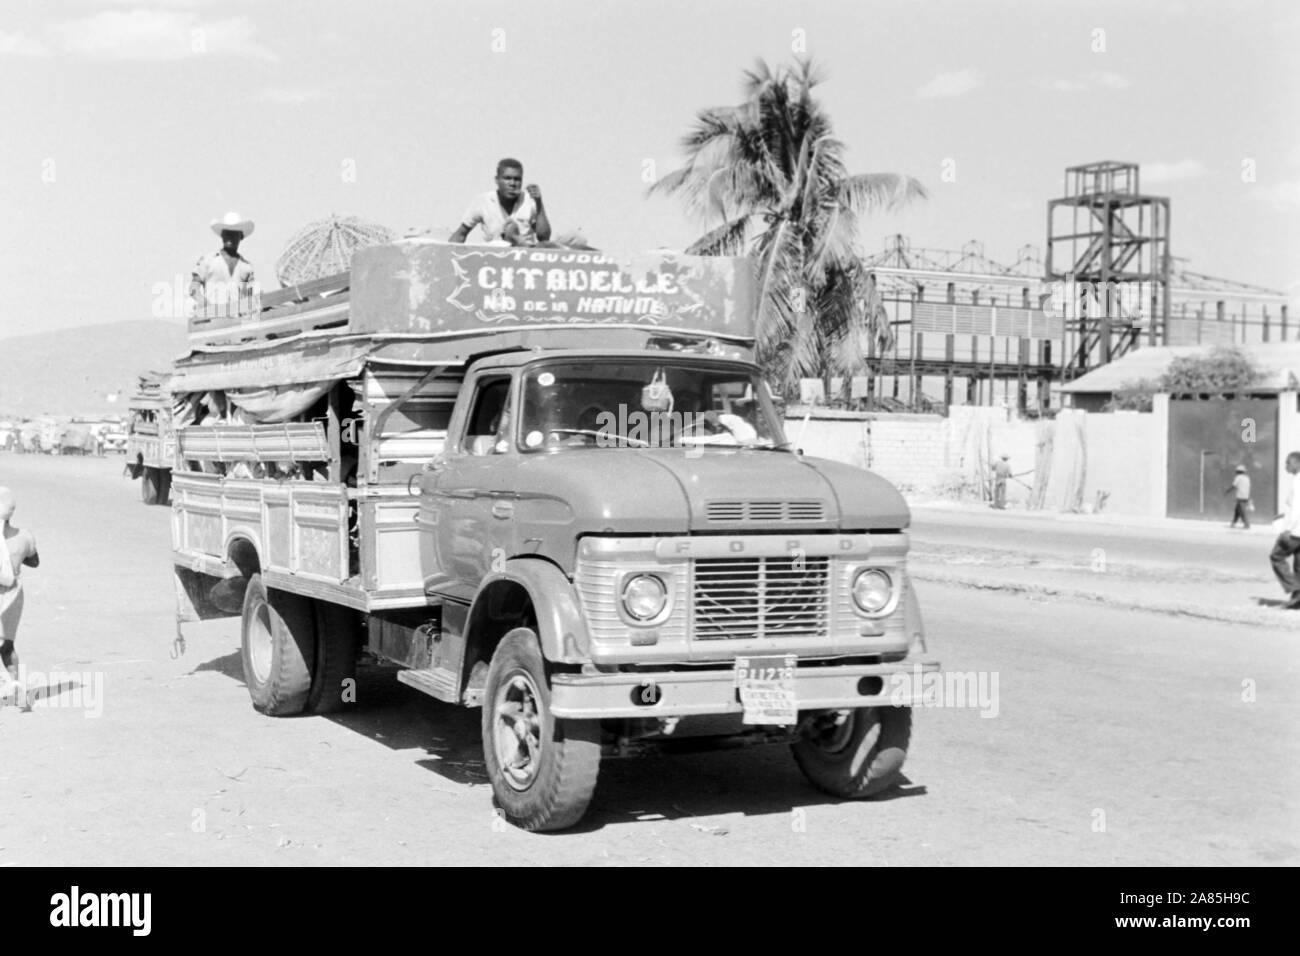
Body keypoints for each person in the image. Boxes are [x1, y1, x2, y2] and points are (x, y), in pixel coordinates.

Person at [448, 158, 551, 247]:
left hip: (524, 259)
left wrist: (539, 203)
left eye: (517, 179)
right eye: (507, 178)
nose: (512, 183)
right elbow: (461, 234)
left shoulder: (529, 201)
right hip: (496, 260)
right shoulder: (483, 201)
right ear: (497, 180)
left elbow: (544, 237)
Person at [0, 487, 40, 710]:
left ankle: (14, 687)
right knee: (7, 645)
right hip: (13, 595)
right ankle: (16, 685)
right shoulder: (24, 536)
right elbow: (34, 562)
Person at [190, 212, 257, 316]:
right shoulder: (208, 261)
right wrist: (203, 302)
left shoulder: (246, 267)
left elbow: (248, 296)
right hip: (211, 319)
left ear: (241, 236)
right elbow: (193, 288)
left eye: (234, 234)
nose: (230, 237)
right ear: (222, 235)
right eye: (227, 233)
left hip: (236, 323)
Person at [1269, 451, 1300, 609]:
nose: (1285, 466)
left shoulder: (1297, 482)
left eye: (1288, 463)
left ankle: (1295, 588)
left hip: (1295, 532)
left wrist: (1287, 529)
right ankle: (1297, 600)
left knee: (1276, 556)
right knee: (1299, 565)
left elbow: (1296, 509)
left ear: (1297, 463)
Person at [1225, 464, 1252, 529]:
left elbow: (1234, 486)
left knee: (1242, 511)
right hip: (1246, 496)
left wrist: (1227, 491)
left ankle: (1247, 524)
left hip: (1240, 497)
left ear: (1237, 471)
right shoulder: (1247, 478)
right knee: (1237, 510)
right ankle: (1233, 523)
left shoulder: (1238, 477)